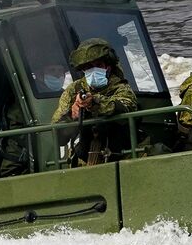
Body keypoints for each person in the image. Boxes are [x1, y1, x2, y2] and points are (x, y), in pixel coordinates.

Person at [52, 38, 139, 166]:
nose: (93, 70)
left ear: (108, 67)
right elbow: (57, 135)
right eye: (87, 67)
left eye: (98, 65)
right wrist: (73, 115)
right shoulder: (73, 91)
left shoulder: (121, 87)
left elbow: (124, 108)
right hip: (84, 160)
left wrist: (94, 103)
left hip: (120, 158)